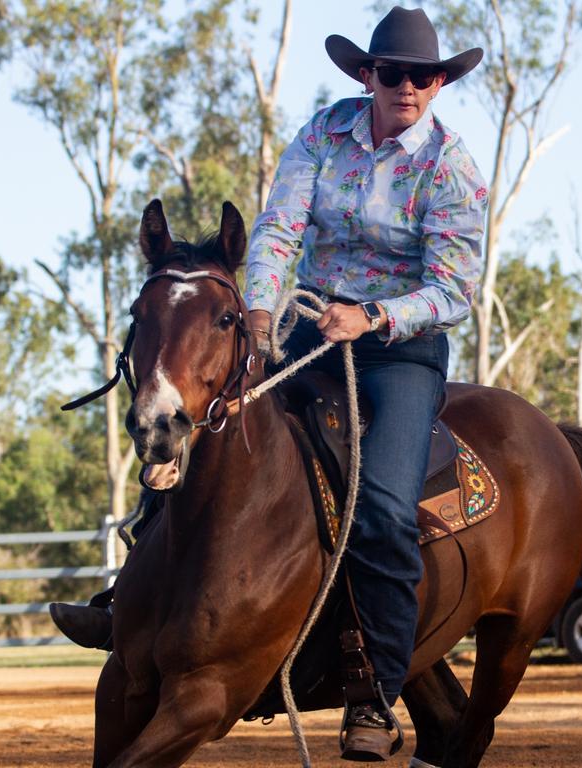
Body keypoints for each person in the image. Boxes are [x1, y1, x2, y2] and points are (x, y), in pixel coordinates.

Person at [51, 7, 486, 762]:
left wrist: (376, 314)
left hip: (398, 352)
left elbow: (455, 288)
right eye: (392, 73)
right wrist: (256, 315)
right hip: (303, 331)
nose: (407, 86)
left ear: (440, 82)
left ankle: (376, 696)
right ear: (367, 75)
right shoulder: (324, 133)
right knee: (196, 432)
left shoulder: (450, 168)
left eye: (424, 75)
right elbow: (280, 226)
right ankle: (127, 606)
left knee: (381, 508)